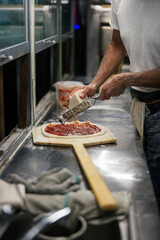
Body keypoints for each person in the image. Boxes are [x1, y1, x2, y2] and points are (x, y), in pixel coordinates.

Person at [69, 0, 160, 206]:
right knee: (148, 189)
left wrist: (129, 79)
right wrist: (94, 84)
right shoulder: (120, 1)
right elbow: (117, 44)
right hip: (140, 105)